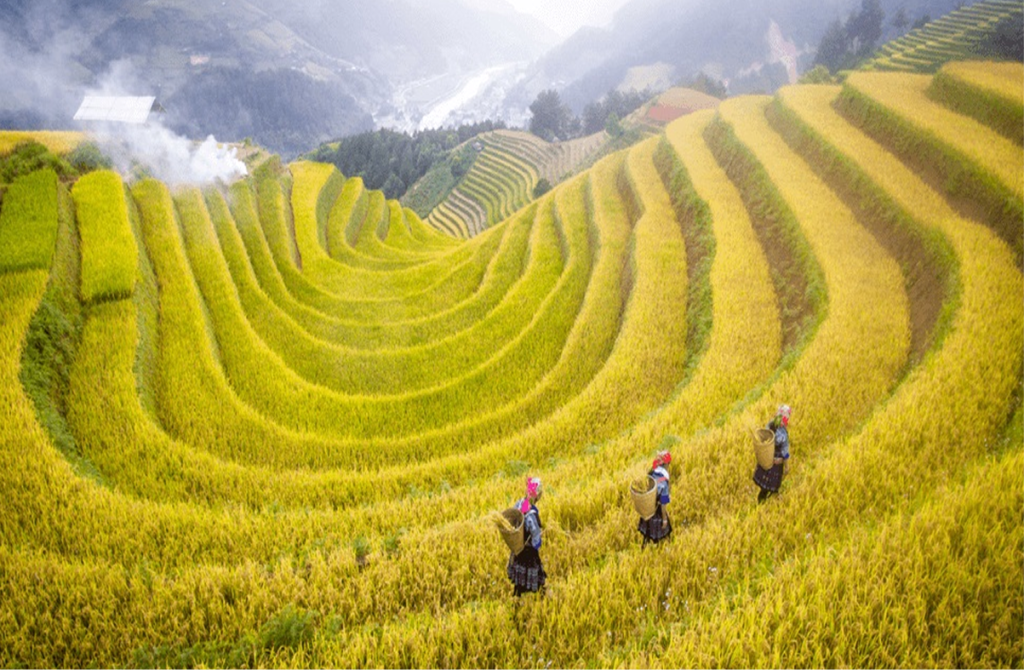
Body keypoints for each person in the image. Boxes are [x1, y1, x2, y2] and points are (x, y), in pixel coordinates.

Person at [507, 476, 546, 597]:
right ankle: (541, 595)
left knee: (519, 579)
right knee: (535, 576)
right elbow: (535, 534)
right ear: (538, 496)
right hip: (529, 551)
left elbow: (513, 517)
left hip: (519, 548)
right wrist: (537, 544)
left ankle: (516, 597)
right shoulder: (531, 514)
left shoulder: (520, 504)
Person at [754, 404, 792, 503]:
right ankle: (769, 503)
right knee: (772, 486)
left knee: (765, 488)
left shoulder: (770, 425)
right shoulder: (783, 433)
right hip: (776, 464)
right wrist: (787, 465)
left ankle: (762, 502)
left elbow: (765, 437)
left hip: (767, 460)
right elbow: (785, 452)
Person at [637, 450, 672, 546]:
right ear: (666, 464)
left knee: (647, 536)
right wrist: (664, 519)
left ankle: (644, 550)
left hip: (648, 509)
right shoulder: (663, 482)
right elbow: (663, 502)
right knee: (664, 535)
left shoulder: (651, 473)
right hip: (658, 512)